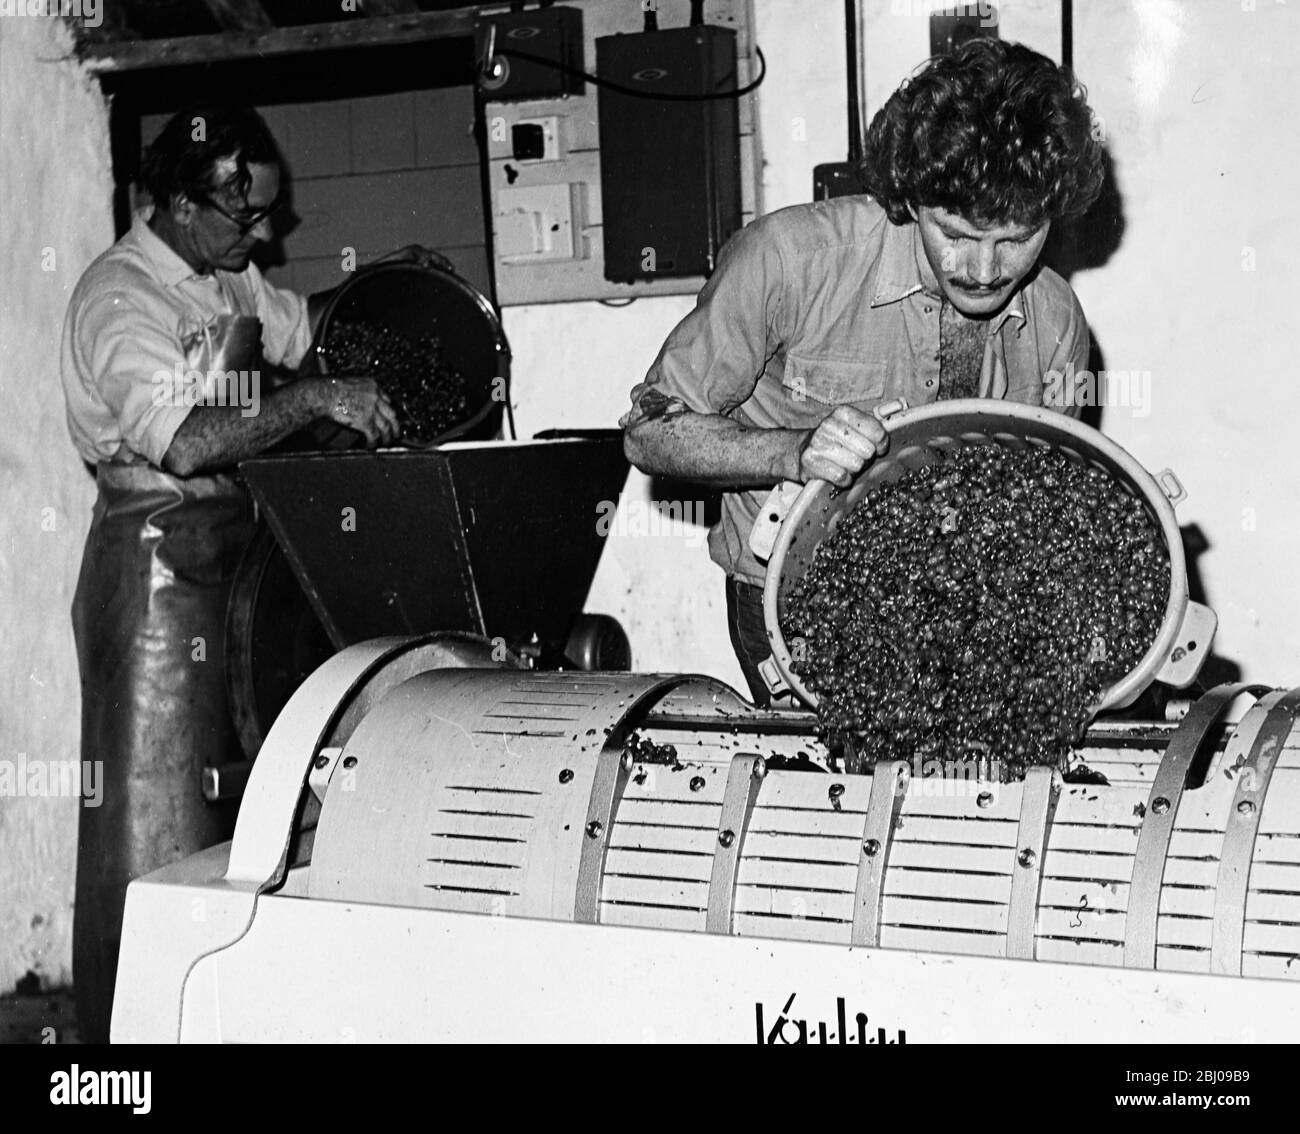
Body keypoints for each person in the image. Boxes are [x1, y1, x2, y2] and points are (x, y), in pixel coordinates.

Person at [60, 104, 443, 1042]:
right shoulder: (122, 301)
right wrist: (312, 398)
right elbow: (186, 443)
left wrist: (391, 289)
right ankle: (126, 1039)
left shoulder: (230, 276)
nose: (268, 234)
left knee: (240, 811)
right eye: (247, 217)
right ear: (184, 207)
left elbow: (309, 335)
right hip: (155, 572)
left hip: (238, 566)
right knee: (154, 826)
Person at [620, 38, 1105, 705]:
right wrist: (793, 452)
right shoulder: (790, 260)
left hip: (962, 607)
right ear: (910, 196)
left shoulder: (1055, 320)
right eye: (957, 235)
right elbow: (649, 435)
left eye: (1016, 238)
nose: (987, 271)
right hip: (795, 596)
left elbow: (1044, 501)